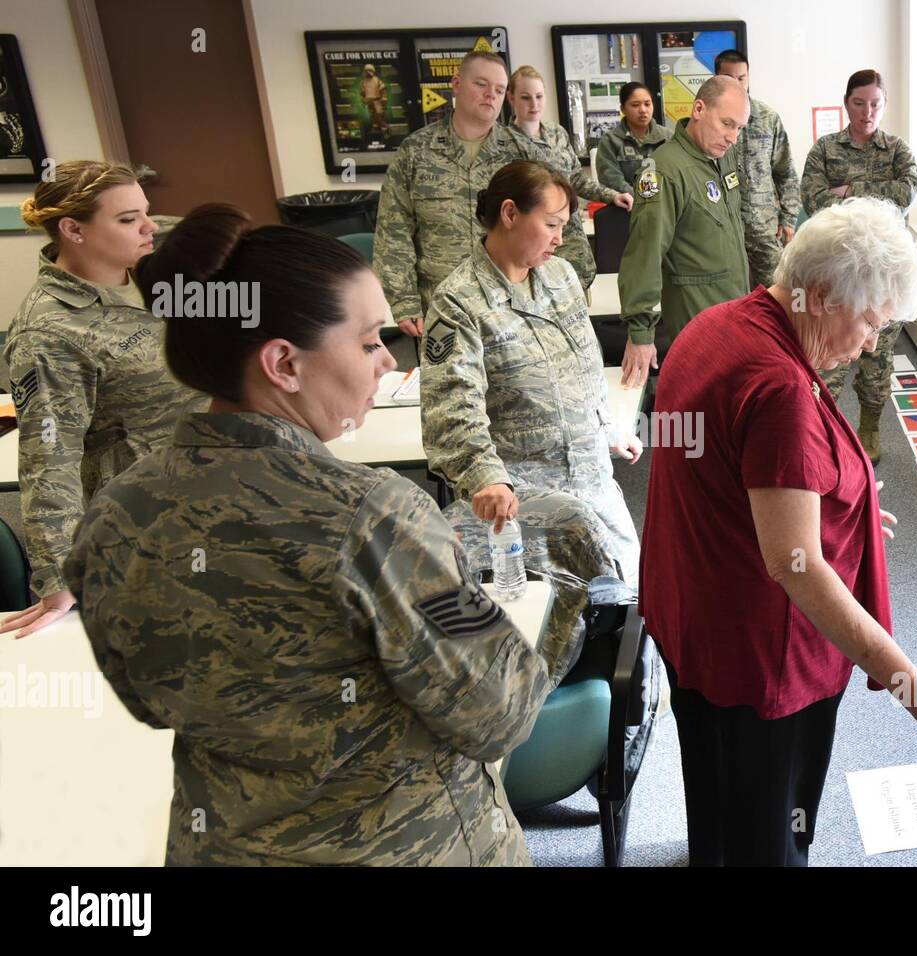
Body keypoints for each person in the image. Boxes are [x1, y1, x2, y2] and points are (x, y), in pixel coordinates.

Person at [64, 204, 576, 865]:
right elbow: (497, 713)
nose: (388, 363)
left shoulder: (113, 515)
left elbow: (149, 702)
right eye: (368, 342)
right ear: (283, 363)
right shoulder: (374, 518)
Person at [640, 198, 917, 867]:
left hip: (692, 622)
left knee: (720, 805)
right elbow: (796, 565)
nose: (870, 344)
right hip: (759, 655)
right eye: (870, 322)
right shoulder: (780, 386)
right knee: (771, 832)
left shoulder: (717, 324)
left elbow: (718, 464)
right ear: (824, 294)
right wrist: (906, 682)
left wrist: (840, 507)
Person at [422, 160, 642, 657]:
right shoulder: (459, 302)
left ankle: (625, 712)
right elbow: (451, 410)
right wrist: (485, 478)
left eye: (565, 226)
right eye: (551, 224)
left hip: (591, 479)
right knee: (558, 634)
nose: (560, 239)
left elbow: (582, 367)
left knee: (629, 607)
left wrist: (606, 427)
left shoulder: (560, 276)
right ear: (509, 214)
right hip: (528, 501)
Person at [1, 160, 201, 639]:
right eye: (128, 218)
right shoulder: (49, 333)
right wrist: (59, 577)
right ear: (73, 230)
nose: (150, 226)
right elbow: (50, 457)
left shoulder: (143, 268)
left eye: (145, 212)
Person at [373, 51, 544, 339]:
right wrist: (403, 300)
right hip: (440, 306)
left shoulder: (522, 154)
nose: (491, 95)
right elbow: (393, 231)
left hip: (512, 308)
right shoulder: (415, 152)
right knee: (446, 384)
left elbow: (556, 225)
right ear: (456, 84)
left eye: (500, 90)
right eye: (481, 84)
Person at [800, 69, 917, 462]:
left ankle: (869, 428)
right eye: (859, 103)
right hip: (837, 273)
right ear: (846, 102)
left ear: (883, 105)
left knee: (876, 358)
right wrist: (874, 194)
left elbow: (905, 194)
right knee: (827, 359)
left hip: (884, 276)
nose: (867, 112)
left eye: (875, 104)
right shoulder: (825, 150)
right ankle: (822, 431)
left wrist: (850, 191)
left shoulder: (897, 150)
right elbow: (814, 200)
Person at [617, 74, 751, 388]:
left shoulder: (721, 155)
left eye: (739, 128)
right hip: (696, 318)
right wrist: (640, 333)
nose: (733, 137)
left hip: (732, 308)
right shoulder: (663, 170)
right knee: (700, 410)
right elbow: (644, 254)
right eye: (727, 123)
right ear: (699, 109)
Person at [503, 65, 633, 289]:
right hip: (532, 241)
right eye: (525, 97)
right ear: (511, 98)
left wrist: (612, 196)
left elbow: (576, 180)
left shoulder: (557, 133)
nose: (534, 104)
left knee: (575, 289)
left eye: (539, 96)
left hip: (569, 235)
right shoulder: (502, 142)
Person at [713, 50, 800, 288]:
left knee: (780, 294)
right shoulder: (707, 121)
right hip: (723, 230)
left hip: (765, 230)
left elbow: (786, 173)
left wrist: (789, 218)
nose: (737, 84)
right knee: (729, 301)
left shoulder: (767, 118)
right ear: (716, 78)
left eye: (742, 78)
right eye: (729, 78)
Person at [595, 81, 671, 195]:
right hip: (627, 205)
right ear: (623, 109)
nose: (643, 110)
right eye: (635, 105)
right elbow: (611, 180)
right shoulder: (610, 141)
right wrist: (641, 199)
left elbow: (678, 175)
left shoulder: (667, 137)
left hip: (664, 204)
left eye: (647, 104)